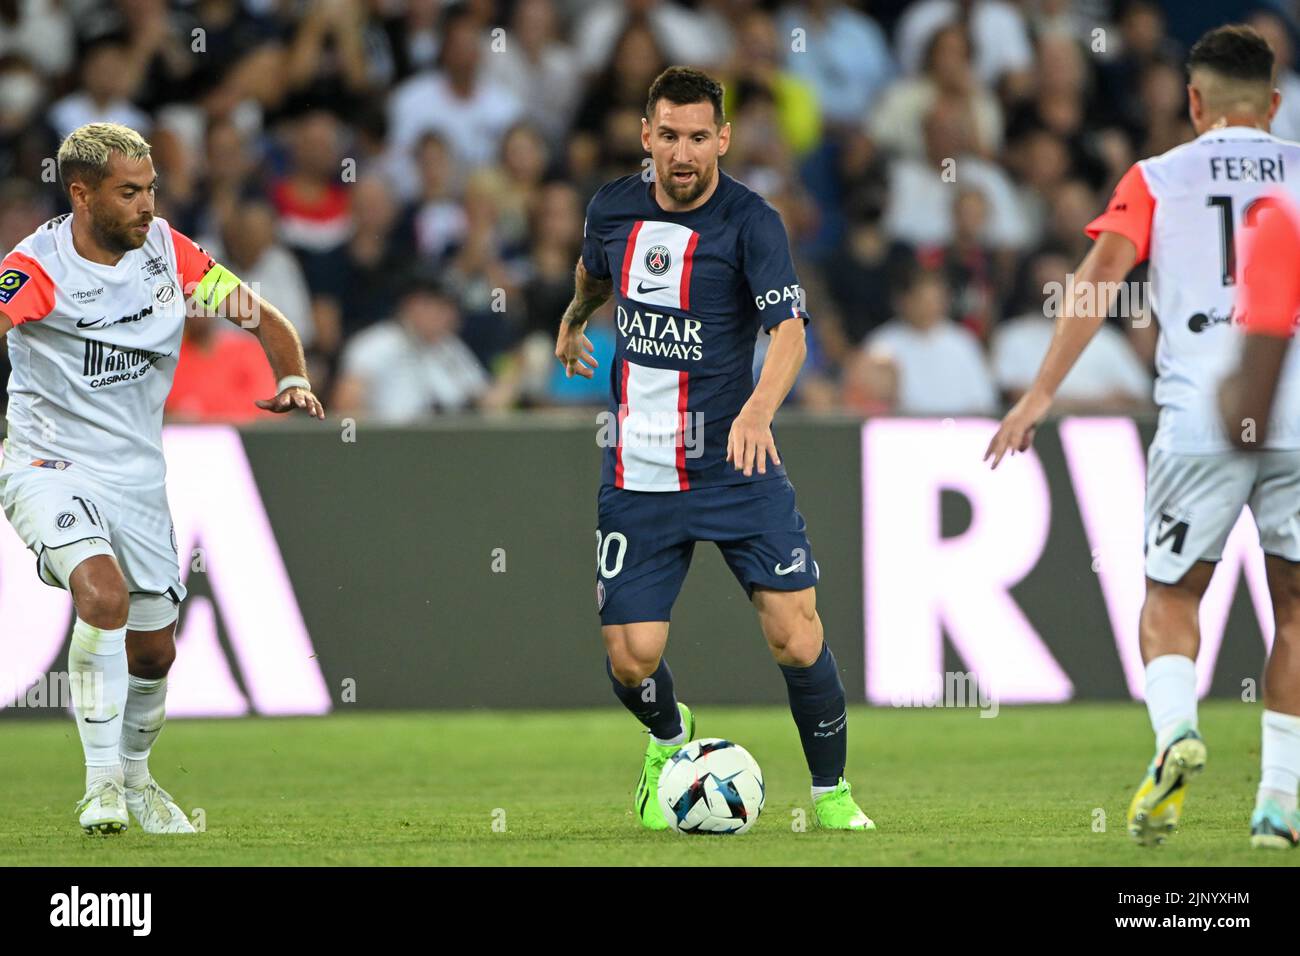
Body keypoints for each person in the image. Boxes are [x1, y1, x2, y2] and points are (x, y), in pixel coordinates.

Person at [985, 26, 1300, 850]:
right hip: (1299, 419)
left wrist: (1040, 392)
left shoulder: (1156, 175)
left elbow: (1097, 284)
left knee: (1172, 595)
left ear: (1193, 103)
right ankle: (1278, 802)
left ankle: (1175, 735)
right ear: (1272, 104)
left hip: (1202, 415)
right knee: (1295, 608)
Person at [554, 66, 874, 832]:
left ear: (723, 139)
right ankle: (669, 739)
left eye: (699, 137)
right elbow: (594, 273)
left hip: (736, 462)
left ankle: (832, 797)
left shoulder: (752, 222)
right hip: (639, 465)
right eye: (669, 136)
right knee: (631, 657)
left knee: (796, 633)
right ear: (646, 136)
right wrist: (572, 321)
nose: (684, 152)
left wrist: (760, 412)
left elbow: (790, 333)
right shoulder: (612, 207)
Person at [0, 122, 324, 836]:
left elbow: (262, 318)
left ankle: (139, 779)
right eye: (129, 192)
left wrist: (293, 375)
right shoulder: (36, 267)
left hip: (137, 477)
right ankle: (101, 787)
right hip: (46, 463)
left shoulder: (168, 251)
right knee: (101, 595)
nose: (147, 206)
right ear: (81, 194)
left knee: (154, 648)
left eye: (150, 189)